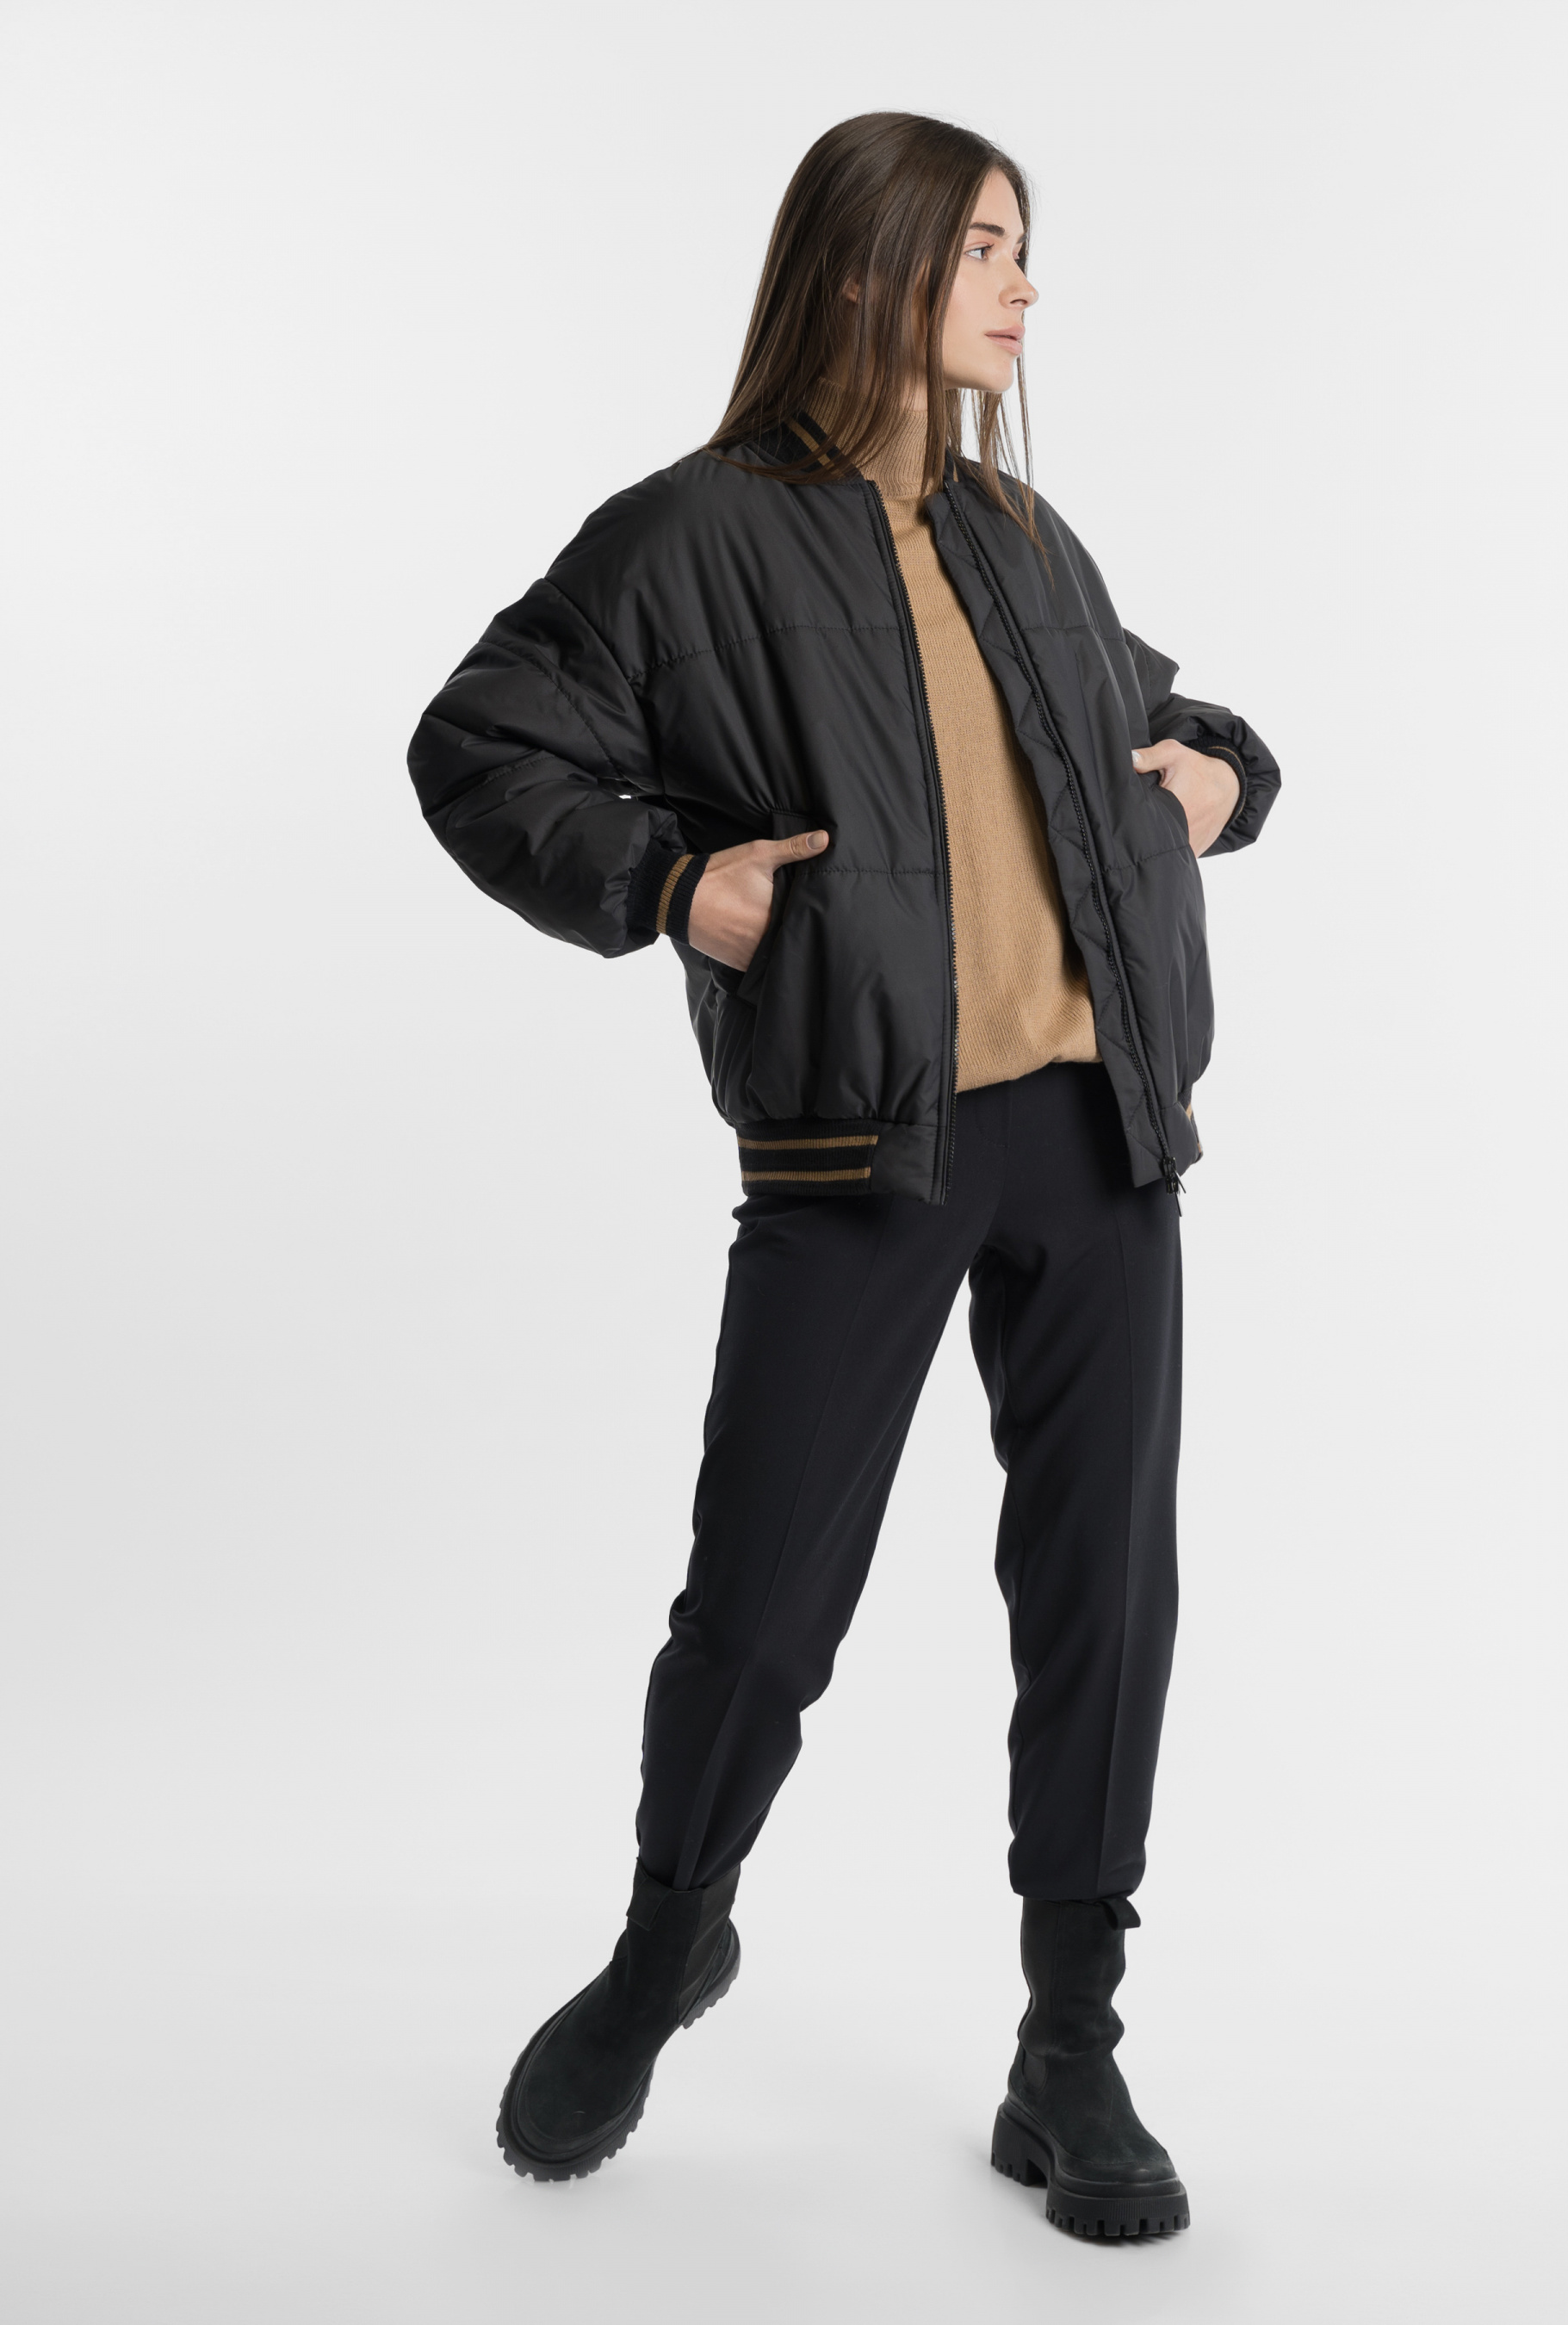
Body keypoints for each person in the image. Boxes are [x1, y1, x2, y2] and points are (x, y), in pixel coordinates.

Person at [407, 110, 1279, 2241]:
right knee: (762, 1597)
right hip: (856, 1143)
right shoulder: (692, 536)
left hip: (1096, 1135)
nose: (1021, 283)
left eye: (1018, 246)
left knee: (1102, 1595)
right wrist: (666, 881)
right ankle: (662, 1945)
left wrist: (1222, 774)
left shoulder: (1019, 534)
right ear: (874, 264)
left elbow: (1165, 718)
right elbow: (477, 740)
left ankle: (1069, 2045)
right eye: (984, 246)